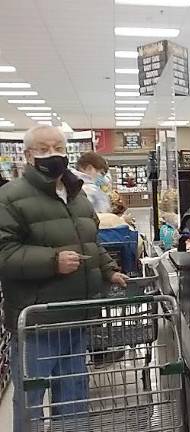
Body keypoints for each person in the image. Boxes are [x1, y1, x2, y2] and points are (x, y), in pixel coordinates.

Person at [0, 125, 128, 430]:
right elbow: (4, 253)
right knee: (31, 403)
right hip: (37, 323)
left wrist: (109, 270)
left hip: (77, 317)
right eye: (43, 150)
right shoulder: (9, 197)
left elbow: (90, 242)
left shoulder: (77, 194)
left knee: (73, 400)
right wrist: (52, 262)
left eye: (58, 148)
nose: (52, 155)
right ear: (29, 155)